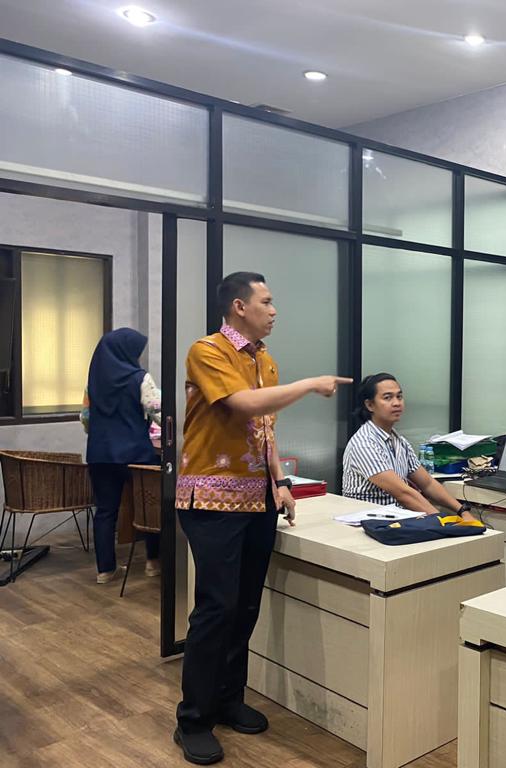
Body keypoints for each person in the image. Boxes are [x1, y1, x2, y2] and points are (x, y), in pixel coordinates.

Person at [173, 271, 351, 765]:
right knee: (216, 608)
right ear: (239, 306)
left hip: (258, 500)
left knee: (246, 605)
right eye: (266, 302)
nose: (274, 311)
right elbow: (242, 405)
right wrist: (308, 385)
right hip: (211, 500)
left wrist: (281, 482)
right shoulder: (207, 351)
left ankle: (228, 700)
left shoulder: (265, 360)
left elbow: (265, 427)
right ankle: (193, 719)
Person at [80, 328, 161, 584]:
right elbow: (159, 411)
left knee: (105, 511)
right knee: (150, 506)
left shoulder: (93, 383)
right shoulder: (140, 378)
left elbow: (85, 419)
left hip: (100, 454)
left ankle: (105, 570)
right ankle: (153, 562)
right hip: (136, 454)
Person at [342, 373, 475, 520]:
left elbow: (428, 483)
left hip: (396, 521)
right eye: (388, 398)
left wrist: (462, 511)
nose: (396, 403)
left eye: (399, 397)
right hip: (367, 523)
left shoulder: (399, 441)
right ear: (370, 405)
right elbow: (403, 494)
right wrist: (443, 522)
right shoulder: (364, 443)